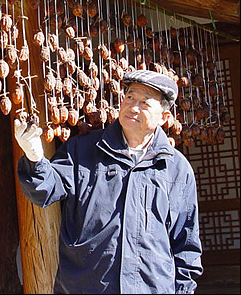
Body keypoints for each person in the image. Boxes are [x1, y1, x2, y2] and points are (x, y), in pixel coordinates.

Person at [14, 69, 203, 294]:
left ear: (163, 117)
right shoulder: (82, 149)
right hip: (85, 286)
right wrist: (35, 159)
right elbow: (45, 190)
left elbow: (186, 243)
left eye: (145, 103)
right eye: (130, 97)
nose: (133, 107)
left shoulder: (176, 168)